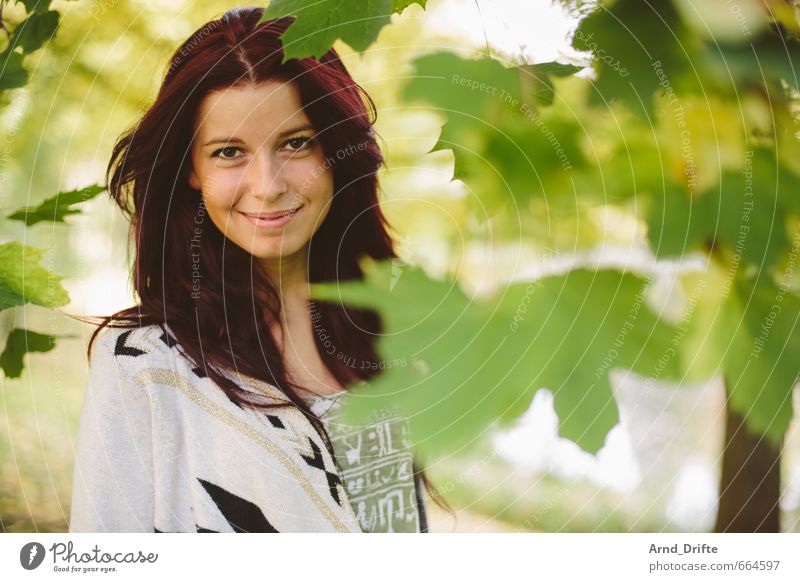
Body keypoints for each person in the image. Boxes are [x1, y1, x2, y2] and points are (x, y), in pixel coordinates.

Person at [69, 6, 448, 533]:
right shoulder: (143, 365)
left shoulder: (383, 329)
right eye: (229, 152)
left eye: (296, 143)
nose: (267, 185)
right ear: (191, 172)